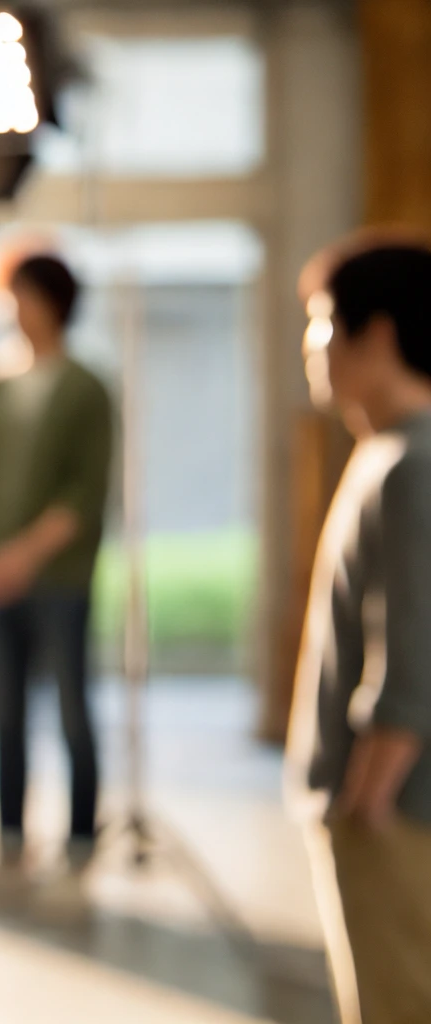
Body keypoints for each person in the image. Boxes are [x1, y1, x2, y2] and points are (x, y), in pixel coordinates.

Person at [286, 239, 431, 1024]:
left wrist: (366, 796)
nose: (313, 348)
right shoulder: (387, 452)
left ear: (376, 335)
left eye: (322, 327)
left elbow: (414, 644)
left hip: (398, 810)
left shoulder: (416, 462)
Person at [0, 253, 114, 866]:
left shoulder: (87, 388)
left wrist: (21, 557)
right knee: (4, 710)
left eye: (21, 295)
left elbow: (83, 494)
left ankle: (81, 833)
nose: (11, 309)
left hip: (58, 576)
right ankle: (9, 831)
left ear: (53, 301)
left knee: (73, 708)